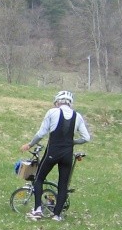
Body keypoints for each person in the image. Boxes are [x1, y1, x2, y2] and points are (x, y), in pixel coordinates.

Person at [21, 90, 90, 221]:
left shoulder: (52, 112)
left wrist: (30, 145)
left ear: (58, 101)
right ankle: (57, 215)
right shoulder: (78, 116)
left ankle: (37, 210)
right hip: (67, 155)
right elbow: (86, 137)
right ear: (70, 103)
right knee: (63, 185)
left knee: (39, 178)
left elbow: (41, 133)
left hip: (53, 152)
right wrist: (72, 142)